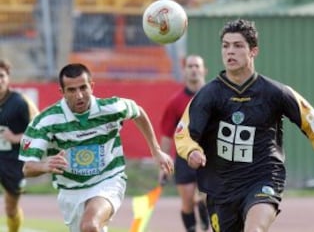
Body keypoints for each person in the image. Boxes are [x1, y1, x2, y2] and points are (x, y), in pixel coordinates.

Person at [174, 19, 314, 232]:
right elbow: (183, 134)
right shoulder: (207, 95)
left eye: (238, 45)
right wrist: (192, 150)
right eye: (225, 45)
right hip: (221, 187)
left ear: (253, 51)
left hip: (263, 178)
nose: (230, 51)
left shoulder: (275, 93)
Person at [19, 63, 174, 232]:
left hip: (108, 180)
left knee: (90, 225)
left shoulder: (110, 108)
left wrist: (156, 150)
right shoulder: (46, 121)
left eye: (83, 88)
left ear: (91, 86)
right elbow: (27, 168)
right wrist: (44, 166)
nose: (79, 95)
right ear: (62, 92)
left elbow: (138, 112)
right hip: (71, 191)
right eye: (71, 90)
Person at [159, 55, 209, 232]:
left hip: (210, 156)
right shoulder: (175, 102)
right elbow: (166, 135)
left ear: (204, 70)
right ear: (185, 71)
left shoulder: (214, 96)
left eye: (197, 66)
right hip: (184, 156)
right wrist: (163, 164)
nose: (194, 69)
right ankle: (192, 228)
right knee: (187, 200)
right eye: (190, 66)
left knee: (205, 196)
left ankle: (205, 222)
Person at [0, 59, 39, 232]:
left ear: (8, 78)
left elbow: (39, 131)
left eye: (1, 76)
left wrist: (15, 138)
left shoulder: (20, 102)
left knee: (11, 208)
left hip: (13, 162)